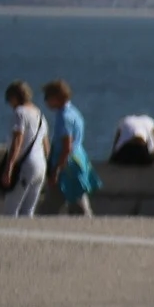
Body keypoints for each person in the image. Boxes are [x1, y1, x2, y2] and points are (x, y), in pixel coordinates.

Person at [42, 79, 100, 216]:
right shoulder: (74, 112)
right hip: (78, 158)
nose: (45, 101)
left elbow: (66, 146)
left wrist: (56, 169)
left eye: (47, 97)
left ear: (57, 97)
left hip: (67, 163)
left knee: (60, 201)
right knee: (75, 198)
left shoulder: (64, 117)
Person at [0, 81, 49, 217]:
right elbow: (46, 145)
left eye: (9, 99)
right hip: (40, 166)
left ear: (14, 97)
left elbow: (17, 141)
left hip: (25, 166)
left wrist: (8, 168)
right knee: (28, 211)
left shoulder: (19, 113)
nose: (9, 104)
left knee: (11, 211)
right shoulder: (40, 115)